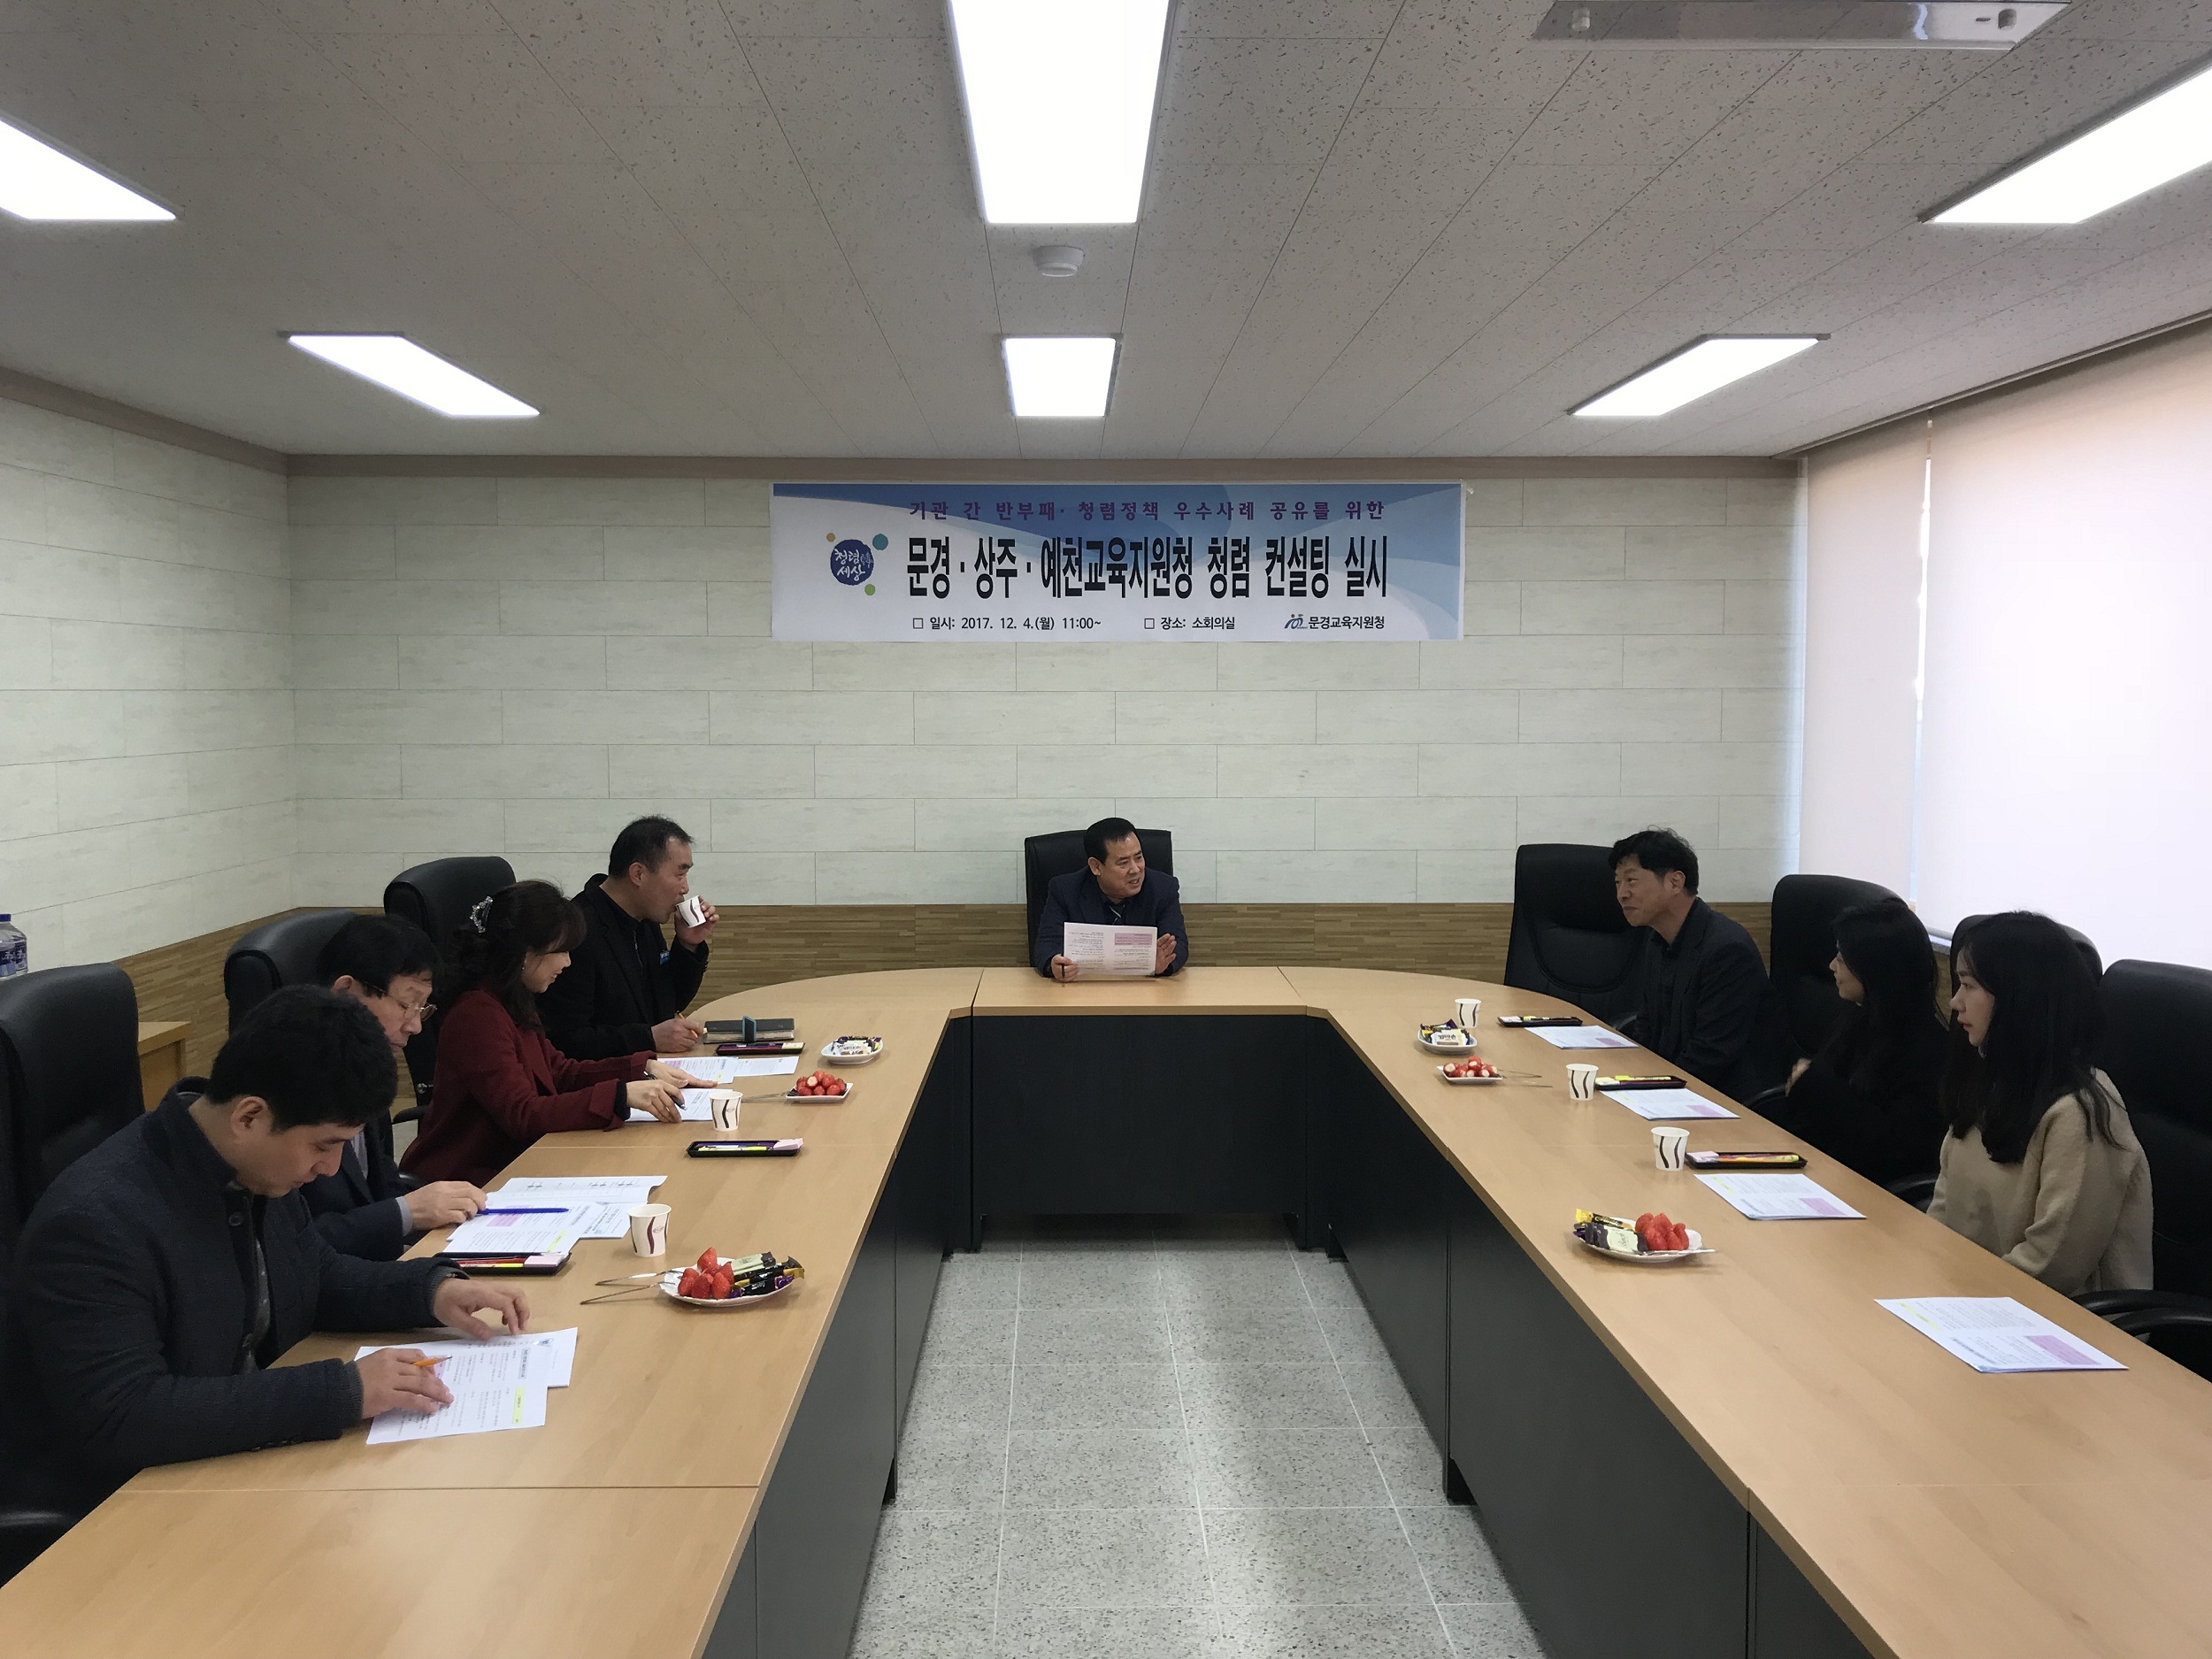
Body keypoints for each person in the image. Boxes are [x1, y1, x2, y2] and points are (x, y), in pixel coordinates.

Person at [0, 987, 531, 1517]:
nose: (330, 1168)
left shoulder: (249, 1168)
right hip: (118, 1512)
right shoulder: (93, 1224)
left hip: (231, 1467)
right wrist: (343, 1391)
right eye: (324, 1145)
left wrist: (430, 1291)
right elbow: (126, 1415)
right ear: (249, 1117)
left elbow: (314, 1274)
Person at [401, 880, 705, 1187]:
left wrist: (640, 1068)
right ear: (523, 953)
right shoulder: (476, 1014)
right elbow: (522, 1115)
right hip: (467, 1181)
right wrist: (620, 1095)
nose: (567, 962)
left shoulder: (512, 996)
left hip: (517, 1163)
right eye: (560, 951)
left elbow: (558, 1072)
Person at [1929, 911, 2151, 1294]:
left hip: (2049, 1316)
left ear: (2019, 998)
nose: (1955, 1002)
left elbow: (2053, 1266)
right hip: (1970, 1293)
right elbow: (1945, 1205)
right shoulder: (1988, 1078)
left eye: (1968, 986)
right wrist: (1923, 1262)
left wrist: (1960, 1299)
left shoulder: (2079, 1111)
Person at [1765, 898, 1948, 1186]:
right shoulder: (1858, 1017)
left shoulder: (1928, 1050)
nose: (1832, 966)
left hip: (1866, 1190)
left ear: (1874, 968)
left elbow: (1892, 1149)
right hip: (1817, 1168)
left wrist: (1812, 1084)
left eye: (1842, 958)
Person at [1609, 827, 1772, 1101]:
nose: (1621, 894)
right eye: (1617, 883)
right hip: (1673, 1086)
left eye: (1631, 880)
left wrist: (1650, 1092)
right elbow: (1646, 1029)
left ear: (1675, 883)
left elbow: (1710, 1056)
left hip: (1723, 1100)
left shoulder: (1727, 950)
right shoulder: (1657, 940)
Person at [538, 816, 718, 1059]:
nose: (685, 888)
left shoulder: (644, 919)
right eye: (679, 875)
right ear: (638, 874)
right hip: (609, 1077)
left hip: (651, 1068)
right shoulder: (577, 931)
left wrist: (688, 945)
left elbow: (668, 1003)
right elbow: (565, 1041)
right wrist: (647, 1038)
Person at [1032, 818, 1188, 980]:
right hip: (1084, 988)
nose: (1135, 869)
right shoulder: (1065, 890)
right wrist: (1055, 964)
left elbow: (1178, 943)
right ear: (1096, 867)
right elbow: (1047, 944)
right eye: (1123, 863)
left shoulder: (1163, 888)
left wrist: (1162, 963)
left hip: (1143, 987)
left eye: (1138, 857)